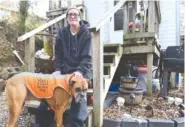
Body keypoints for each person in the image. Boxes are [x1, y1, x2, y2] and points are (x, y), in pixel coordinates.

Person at [35, 7, 92, 127]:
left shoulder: (87, 33)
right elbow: (59, 55)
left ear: (80, 18)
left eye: (75, 14)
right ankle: (41, 123)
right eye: (70, 14)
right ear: (67, 19)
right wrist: (57, 69)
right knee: (49, 92)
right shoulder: (61, 33)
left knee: (79, 96)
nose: (72, 16)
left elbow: (87, 57)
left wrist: (80, 71)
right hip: (65, 72)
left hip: (81, 72)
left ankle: (77, 124)